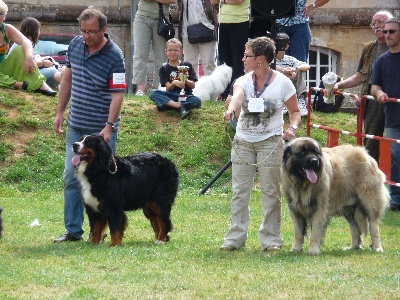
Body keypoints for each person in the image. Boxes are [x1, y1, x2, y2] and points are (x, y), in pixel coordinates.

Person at [53, 7, 127, 242]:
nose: (86, 36)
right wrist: (60, 111)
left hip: (100, 131)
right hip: (76, 124)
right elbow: (67, 78)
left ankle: (102, 230)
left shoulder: (115, 55)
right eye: (83, 31)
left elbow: (118, 94)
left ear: (104, 29)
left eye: (92, 32)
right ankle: (73, 231)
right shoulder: (75, 45)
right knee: (70, 177)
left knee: (105, 185)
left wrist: (109, 126)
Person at [220, 37, 301, 251]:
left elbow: (294, 111)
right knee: (240, 192)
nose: (243, 59)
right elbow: (237, 97)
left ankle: (271, 239)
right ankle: (234, 239)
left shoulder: (284, 83)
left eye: (247, 55)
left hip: (271, 143)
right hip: (243, 142)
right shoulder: (243, 80)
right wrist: (230, 110)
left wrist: (292, 128)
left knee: (271, 192)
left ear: (261, 59)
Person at [332, 10, 393, 163]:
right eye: (374, 23)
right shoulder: (369, 48)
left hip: (394, 100)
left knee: (395, 140)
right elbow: (359, 76)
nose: (376, 26)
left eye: (381, 22)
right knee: (370, 140)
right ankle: (371, 175)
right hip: (372, 100)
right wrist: (339, 85)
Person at [370, 17, 400, 212]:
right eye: (385, 31)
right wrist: (379, 93)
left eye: (391, 31)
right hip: (393, 118)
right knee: (395, 159)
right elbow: (374, 85)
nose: (386, 34)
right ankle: (396, 198)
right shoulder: (382, 60)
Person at [0, 0, 56, 96]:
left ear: (5, 17)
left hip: (6, 68)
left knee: (21, 48)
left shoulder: (6, 28)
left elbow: (25, 41)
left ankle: (40, 84)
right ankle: (16, 84)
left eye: (0, 13)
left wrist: (29, 57)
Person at [132, 0, 177, 97]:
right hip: (142, 17)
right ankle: (140, 90)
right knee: (140, 54)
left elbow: (173, 1)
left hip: (162, 19)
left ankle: (158, 89)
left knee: (162, 57)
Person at [149, 38, 201, 118]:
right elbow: (168, 88)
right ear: (166, 52)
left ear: (181, 52)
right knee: (153, 93)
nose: (173, 52)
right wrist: (174, 83)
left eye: (176, 50)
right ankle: (179, 106)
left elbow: (193, 86)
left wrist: (185, 80)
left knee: (197, 101)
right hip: (171, 95)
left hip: (186, 95)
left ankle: (168, 104)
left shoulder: (187, 65)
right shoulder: (164, 68)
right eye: (170, 50)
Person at [9, 17, 63, 90]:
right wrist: (44, 63)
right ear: (34, 31)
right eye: (38, 29)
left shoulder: (22, 41)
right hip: (21, 74)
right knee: (52, 71)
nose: (39, 32)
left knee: (53, 70)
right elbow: (26, 65)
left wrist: (42, 58)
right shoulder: (25, 43)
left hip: (21, 72)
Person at [217, 0, 250, 100]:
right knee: (224, 62)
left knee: (238, 61)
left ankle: (237, 93)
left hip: (239, 21)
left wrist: (222, 1)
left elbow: (238, 0)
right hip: (222, 21)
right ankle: (225, 95)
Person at [178, 0, 217, 76]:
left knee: (209, 65)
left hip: (207, 27)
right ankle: (191, 87)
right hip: (186, 30)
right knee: (189, 66)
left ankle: (211, 87)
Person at [275, 32, 310, 117]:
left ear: (287, 46)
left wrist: (295, 69)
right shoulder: (269, 58)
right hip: (275, 86)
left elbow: (307, 66)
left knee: (300, 71)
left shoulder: (290, 59)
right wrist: (284, 71)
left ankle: (301, 101)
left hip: (290, 85)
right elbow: (266, 66)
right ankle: (282, 104)